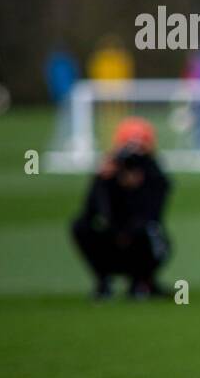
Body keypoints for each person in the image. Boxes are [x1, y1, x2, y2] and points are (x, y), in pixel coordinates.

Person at [70, 117, 173, 300]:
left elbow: (152, 215)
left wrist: (137, 188)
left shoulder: (155, 176)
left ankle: (143, 281)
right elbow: (90, 213)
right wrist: (104, 181)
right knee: (80, 226)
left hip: (140, 244)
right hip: (112, 240)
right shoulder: (107, 176)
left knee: (147, 231)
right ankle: (103, 282)